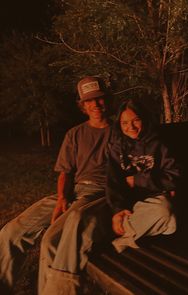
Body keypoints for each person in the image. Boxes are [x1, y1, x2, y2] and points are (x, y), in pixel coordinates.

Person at [0, 76, 112, 295]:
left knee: (52, 240)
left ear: (107, 100)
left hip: (99, 195)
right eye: (89, 101)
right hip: (74, 191)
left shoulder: (121, 131)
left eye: (99, 99)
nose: (96, 105)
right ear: (83, 105)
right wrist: (62, 198)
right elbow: (65, 173)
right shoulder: (75, 134)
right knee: (10, 232)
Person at [106, 98, 180, 253]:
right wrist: (118, 210)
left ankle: (125, 235)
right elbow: (113, 181)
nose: (130, 127)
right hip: (129, 202)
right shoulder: (117, 147)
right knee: (169, 221)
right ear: (119, 124)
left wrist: (138, 180)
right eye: (124, 123)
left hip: (153, 199)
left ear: (144, 120)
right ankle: (132, 230)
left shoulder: (159, 144)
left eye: (136, 120)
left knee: (166, 214)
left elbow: (173, 177)